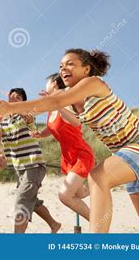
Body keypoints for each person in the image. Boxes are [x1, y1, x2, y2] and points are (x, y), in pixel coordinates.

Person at [0, 49, 139, 233]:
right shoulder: (68, 98)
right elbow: (43, 107)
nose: (63, 68)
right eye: (61, 65)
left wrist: (10, 107)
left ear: (86, 69)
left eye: (70, 64)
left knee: (98, 177)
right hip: (125, 155)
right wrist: (7, 110)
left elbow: (54, 102)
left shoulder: (93, 83)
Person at [0, 87, 61, 234]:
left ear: (23, 101)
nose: (14, 99)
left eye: (18, 98)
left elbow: (29, 118)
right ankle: (54, 224)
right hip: (19, 168)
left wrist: (24, 113)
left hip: (34, 164)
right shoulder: (1, 119)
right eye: (12, 97)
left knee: (22, 200)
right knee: (32, 200)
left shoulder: (25, 114)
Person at [30, 73, 93, 221]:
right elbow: (52, 128)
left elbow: (77, 123)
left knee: (65, 195)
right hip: (67, 158)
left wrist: (57, 105)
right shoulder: (52, 108)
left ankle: (97, 225)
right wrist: (40, 134)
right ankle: (101, 184)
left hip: (81, 154)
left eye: (47, 82)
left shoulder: (66, 100)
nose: (45, 85)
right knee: (81, 193)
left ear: (54, 84)